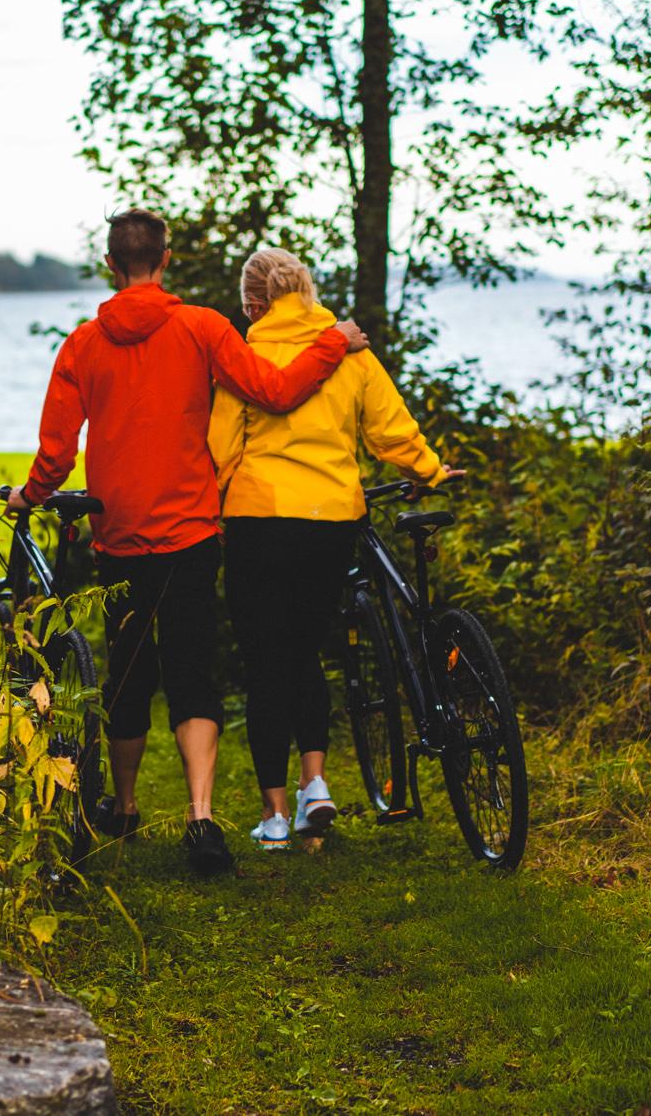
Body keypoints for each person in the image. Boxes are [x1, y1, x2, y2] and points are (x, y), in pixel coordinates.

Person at [10, 210, 369, 874]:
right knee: (191, 674)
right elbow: (275, 390)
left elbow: (57, 452)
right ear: (166, 259)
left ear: (112, 265)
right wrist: (331, 344)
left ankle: (122, 806)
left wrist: (28, 494)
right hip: (194, 534)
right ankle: (202, 819)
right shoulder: (204, 327)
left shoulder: (82, 346)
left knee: (127, 673)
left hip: (119, 537)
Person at [208, 248, 460, 851]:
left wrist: (205, 511)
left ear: (252, 304)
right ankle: (315, 785)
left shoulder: (247, 356)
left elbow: (221, 448)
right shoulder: (350, 351)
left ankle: (272, 818)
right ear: (306, 290)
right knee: (305, 654)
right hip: (330, 519)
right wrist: (428, 469)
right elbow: (390, 429)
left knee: (264, 661)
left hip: (258, 519)